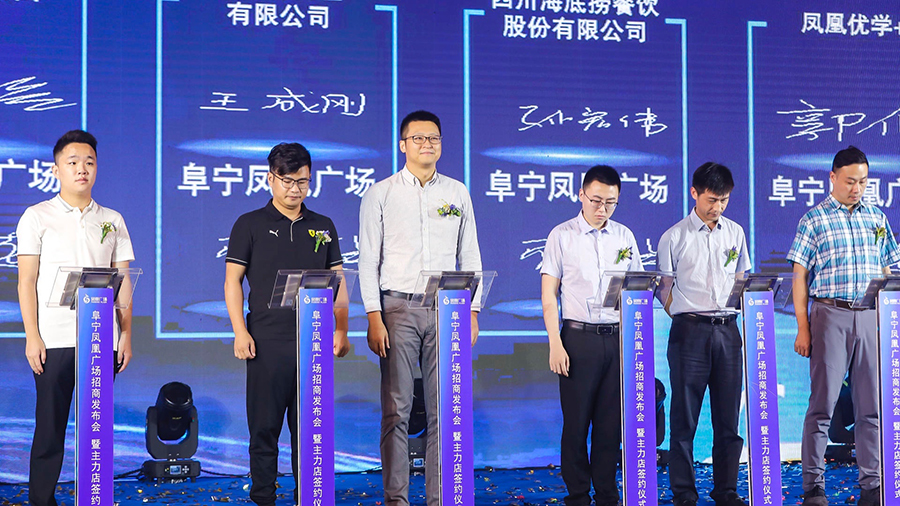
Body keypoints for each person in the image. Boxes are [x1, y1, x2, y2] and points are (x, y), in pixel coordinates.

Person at [358, 110, 482, 506]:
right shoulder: (381, 193)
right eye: (419, 138)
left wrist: (473, 310)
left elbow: (470, 254)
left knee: (445, 410)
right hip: (397, 308)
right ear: (403, 144)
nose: (427, 144)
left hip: (448, 309)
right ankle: (396, 498)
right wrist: (373, 315)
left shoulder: (457, 192)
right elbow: (368, 261)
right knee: (396, 409)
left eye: (434, 138)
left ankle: (440, 497)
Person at [225, 142, 350, 506]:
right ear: (271, 179)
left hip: (314, 341)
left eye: (303, 182)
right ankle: (263, 497)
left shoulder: (323, 226)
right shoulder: (249, 224)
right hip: (266, 341)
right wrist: (240, 331)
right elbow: (233, 281)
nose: (295, 189)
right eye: (288, 181)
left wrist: (341, 329)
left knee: (311, 429)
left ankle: (310, 497)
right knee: (264, 428)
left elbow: (338, 281)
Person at [17, 130, 135, 506]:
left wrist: (125, 334)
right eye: (72, 162)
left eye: (89, 162)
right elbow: (26, 281)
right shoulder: (37, 216)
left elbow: (123, 281)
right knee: (49, 428)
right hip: (53, 338)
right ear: (56, 170)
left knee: (95, 430)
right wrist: (32, 336)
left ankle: (94, 497)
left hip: (100, 337)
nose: (81, 169)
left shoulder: (112, 219)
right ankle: (42, 500)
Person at [787, 146, 899, 506]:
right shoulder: (814, 219)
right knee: (822, 406)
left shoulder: (877, 218)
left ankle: (872, 485)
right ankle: (814, 487)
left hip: (869, 317)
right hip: (829, 316)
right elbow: (800, 277)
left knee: (871, 408)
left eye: (863, 182)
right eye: (850, 181)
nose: (857, 188)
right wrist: (803, 327)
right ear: (832, 178)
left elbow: (889, 269)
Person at [541, 165, 643, 506]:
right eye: (596, 200)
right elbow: (548, 295)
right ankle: (578, 495)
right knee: (576, 423)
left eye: (611, 203)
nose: (602, 209)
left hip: (616, 338)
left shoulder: (624, 237)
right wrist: (555, 343)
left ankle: (607, 493)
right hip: (577, 339)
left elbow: (638, 289)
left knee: (610, 424)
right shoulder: (562, 235)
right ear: (581, 195)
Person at [657, 162, 750, 506]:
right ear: (694, 193)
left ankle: (726, 491)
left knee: (728, 419)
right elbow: (664, 289)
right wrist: (686, 315)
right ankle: (684, 493)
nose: (718, 207)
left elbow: (742, 279)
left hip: (728, 331)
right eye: (712, 200)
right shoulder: (674, 237)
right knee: (684, 419)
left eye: (724, 200)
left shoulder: (735, 232)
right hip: (690, 332)